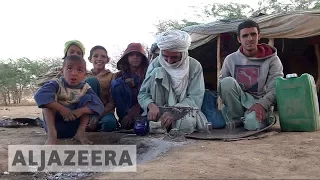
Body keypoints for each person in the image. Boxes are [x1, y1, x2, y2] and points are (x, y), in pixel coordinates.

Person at [218, 20, 284, 131]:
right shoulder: (230, 59)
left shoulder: (272, 59)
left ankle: (253, 119)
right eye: (245, 36)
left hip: (259, 103)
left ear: (259, 36)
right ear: (239, 39)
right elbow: (223, 88)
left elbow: (276, 87)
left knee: (252, 125)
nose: (250, 39)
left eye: (253, 34)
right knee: (226, 82)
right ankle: (236, 120)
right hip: (236, 106)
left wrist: (263, 104)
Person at [138, 30, 208, 134]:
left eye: (174, 57)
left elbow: (195, 97)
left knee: (185, 125)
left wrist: (174, 112)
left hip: (183, 111)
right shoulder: (156, 63)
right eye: (165, 56)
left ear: (183, 53)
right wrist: (150, 105)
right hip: (159, 110)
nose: (169, 61)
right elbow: (143, 94)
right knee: (158, 72)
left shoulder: (194, 66)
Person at [34, 55, 104, 145]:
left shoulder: (85, 88)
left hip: (73, 127)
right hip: (56, 125)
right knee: (47, 102)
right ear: (62, 71)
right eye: (69, 69)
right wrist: (62, 109)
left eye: (79, 70)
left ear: (84, 75)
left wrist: (81, 111)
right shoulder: (56, 84)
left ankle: (81, 133)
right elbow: (39, 95)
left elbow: (99, 106)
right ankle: (52, 136)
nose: (74, 73)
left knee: (89, 99)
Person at [111, 43, 149, 129]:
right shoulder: (119, 76)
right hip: (124, 112)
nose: (135, 57)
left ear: (142, 58)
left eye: (138, 55)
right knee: (117, 84)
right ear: (127, 57)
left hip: (142, 110)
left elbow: (150, 96)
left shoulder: (148, 74)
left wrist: (133, 112)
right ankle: (124, 122)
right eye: (131, 55)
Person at [85, 45, 118, 132]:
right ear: (90, 59)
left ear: (108, 60)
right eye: (95, 56)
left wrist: (99, 115)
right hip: (86, 112)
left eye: (103, 56)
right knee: (91, 81)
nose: (99, 59)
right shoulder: (84, 75)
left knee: (109, 124)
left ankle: (96, 123)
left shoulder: (112, 76)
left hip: (105, 112)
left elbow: (112, 100)